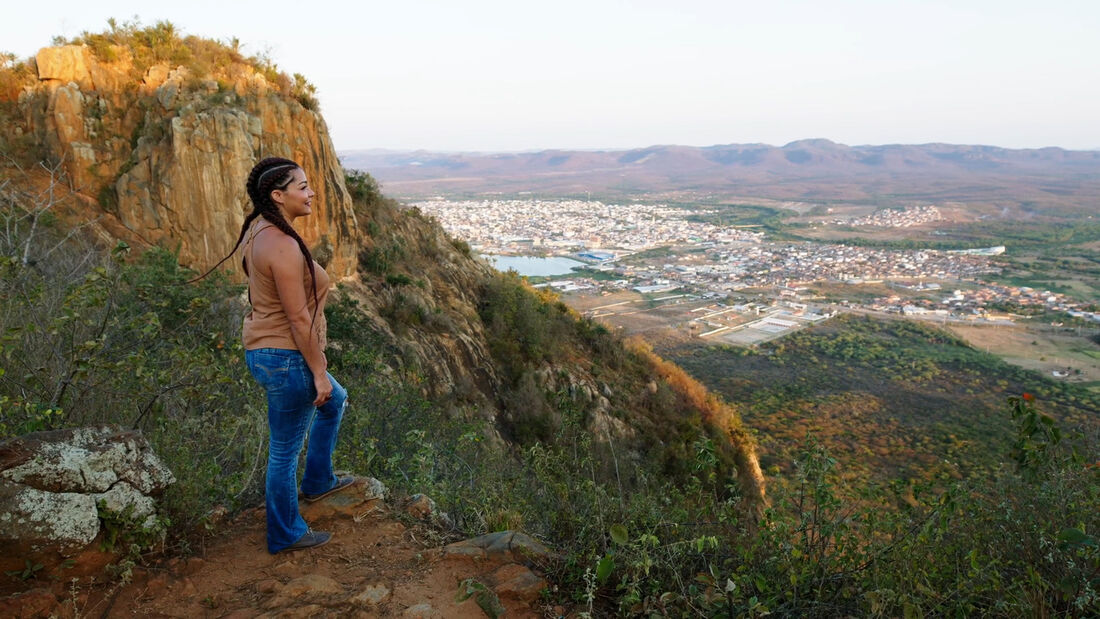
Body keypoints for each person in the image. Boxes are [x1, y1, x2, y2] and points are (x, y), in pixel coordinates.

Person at [218, 156, 353, 553]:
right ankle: (285, 533)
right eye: (303, 186)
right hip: (287, 356)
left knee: (336, 403)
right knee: (283, 451)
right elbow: (297, 317)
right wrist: (319, 370)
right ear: (278, 195)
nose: (311, 193)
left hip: (268, 352)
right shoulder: (280, 245)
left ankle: (318, 481)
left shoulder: (261, 229)